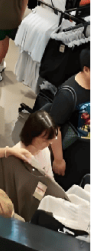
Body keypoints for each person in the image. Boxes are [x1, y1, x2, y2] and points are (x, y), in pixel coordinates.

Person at [48, 48, 90, 190]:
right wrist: (58, 159)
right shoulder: (68, 94)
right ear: (86, 70)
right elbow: (54, 128)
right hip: (70, 154)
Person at [13, 111, 58, 178]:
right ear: (32, 134)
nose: (48, 144)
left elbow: (49, 177)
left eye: (49, 141)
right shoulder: (16, 155)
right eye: (45, 140)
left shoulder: (45, 151)